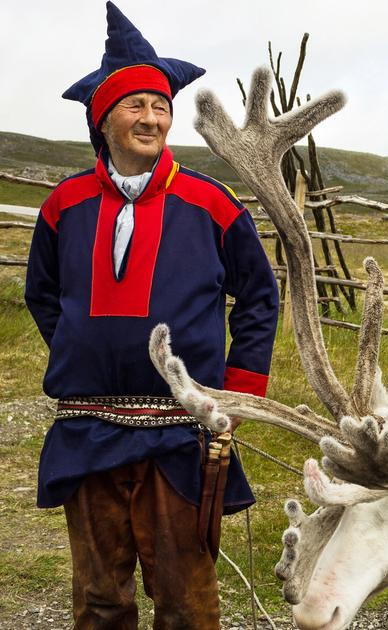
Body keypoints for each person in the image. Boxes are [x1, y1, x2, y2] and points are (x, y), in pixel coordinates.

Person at [24, 3, 279, 628]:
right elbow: (43, 293)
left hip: (180, 431)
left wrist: (236, 395)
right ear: (102, 118)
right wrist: (83, 351)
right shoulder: (65, 204)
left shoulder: (211, 204)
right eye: (135, 105)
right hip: (88, 429)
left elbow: (259, 298)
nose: (152, 117)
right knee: (100, 598)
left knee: (187, 601)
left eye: (161, 105)